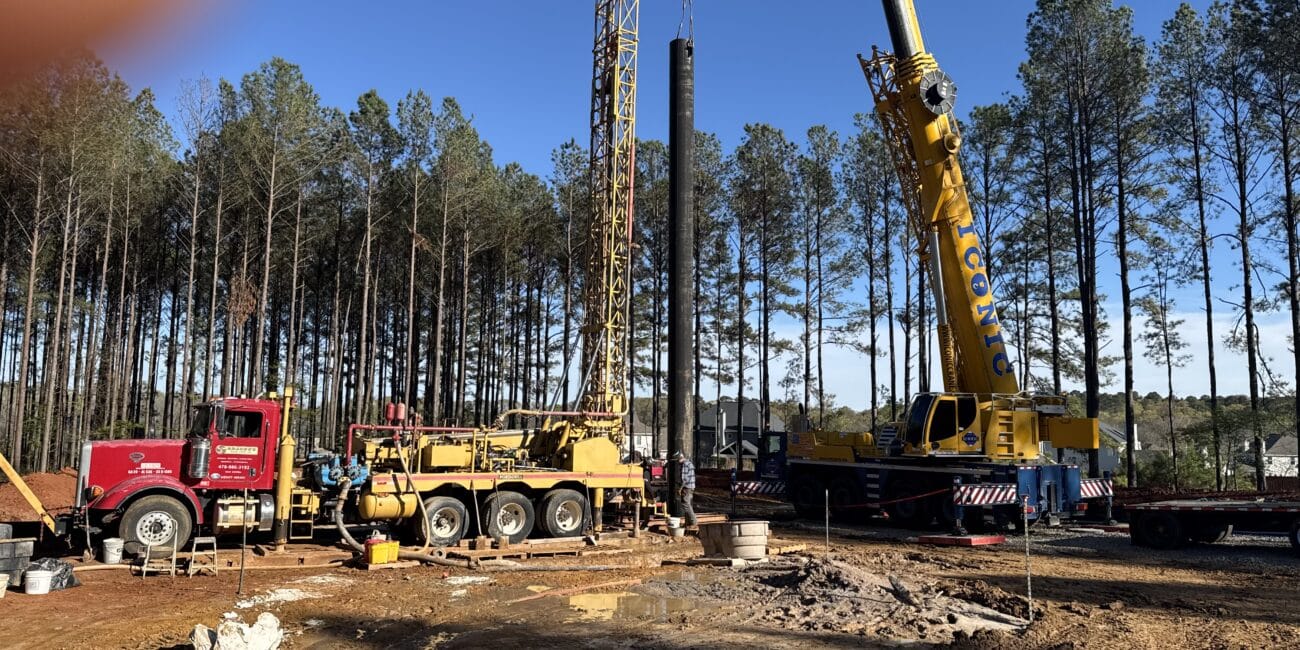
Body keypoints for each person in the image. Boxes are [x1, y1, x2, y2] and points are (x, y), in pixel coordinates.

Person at [673, 451, 697, 526]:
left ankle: (693, 522)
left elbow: (685, 479)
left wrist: (680, 489)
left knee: (685, 504)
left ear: (679, 458)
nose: (677, 462)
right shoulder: (689, 463)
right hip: (691, 487)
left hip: (687, 487)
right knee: (688, 504)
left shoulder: (685, 465)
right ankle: (688, 522)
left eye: (677, 460)